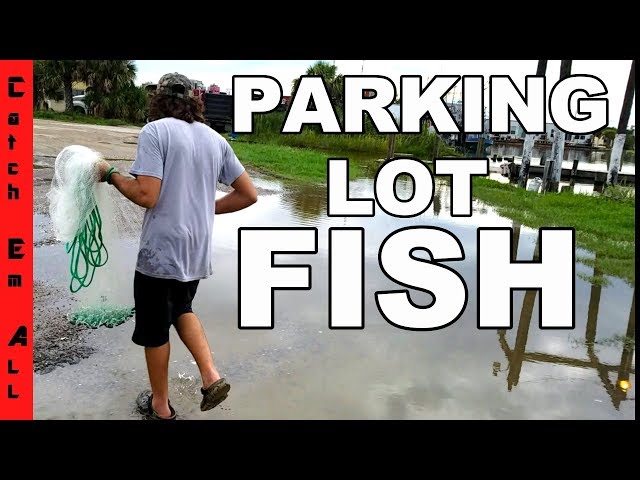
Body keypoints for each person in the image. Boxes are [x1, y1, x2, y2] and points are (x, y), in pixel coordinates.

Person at [96, 72, 258, 420]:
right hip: (195, 249)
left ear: (159, 99)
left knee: (155, 328)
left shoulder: (156, 131)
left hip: (161, 251)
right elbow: (249, 194)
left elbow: (146, 195)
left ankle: (160, 408)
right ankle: (211, 376)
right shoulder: (215, 140)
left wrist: (110, 174)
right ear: (195, 101)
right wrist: (203, 206)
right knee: (181, 308)